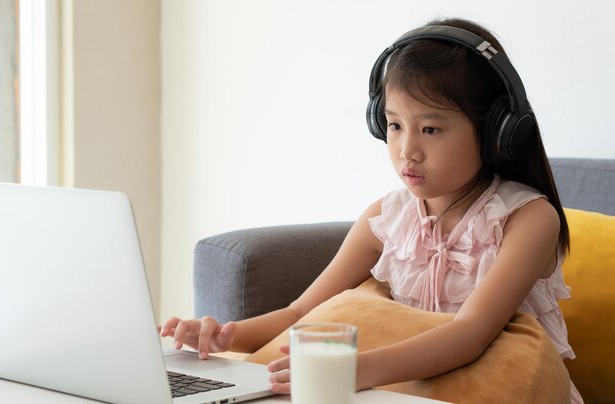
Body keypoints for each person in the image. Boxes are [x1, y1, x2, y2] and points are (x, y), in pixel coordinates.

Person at [160, 17, 582, 403]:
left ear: (496, 132)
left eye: (430, 129)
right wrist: (223, 336)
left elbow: (470, 334)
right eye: (395, 125)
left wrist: (353, 369)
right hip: (398, 390)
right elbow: (300, 313)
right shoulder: (386, 218)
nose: (406, 151)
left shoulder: (527, 219)